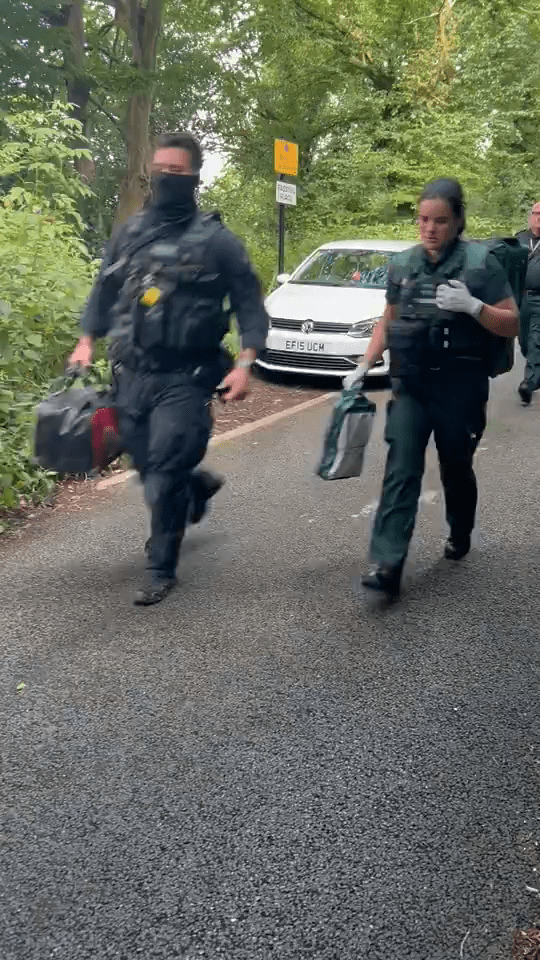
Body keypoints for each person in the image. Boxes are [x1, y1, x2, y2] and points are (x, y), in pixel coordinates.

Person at [69, 131, 268, 605]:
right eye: (160, 171)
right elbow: (104, 290)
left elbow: (250, 307)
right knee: (147, 460)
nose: (166, 179)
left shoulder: (218, 242)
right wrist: (85, 341)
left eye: (176, 172)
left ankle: (161, 567)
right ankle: (192, 487)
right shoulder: (130, 233)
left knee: (162, 468)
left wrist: (244, 364)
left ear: (195, 177)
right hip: (132, 371)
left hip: (187, 375)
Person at [353, 178, 519, 597]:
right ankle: (387, 565)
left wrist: (475, 306)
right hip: (412, 385)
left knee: (455, 467)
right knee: (402, 468)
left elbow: (513, 322)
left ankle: (460, 529)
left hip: (460, 389)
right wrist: (363, 364)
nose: (430, 229)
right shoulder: (403, 265)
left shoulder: (482, 264)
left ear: (458, 221)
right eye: (423, 219)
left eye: (440, 221)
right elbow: (388, 320)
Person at [516, 202, 540, 405]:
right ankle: (536, 373)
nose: (539, 217)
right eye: (536, 213)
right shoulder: (520, 239)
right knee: (524, 342)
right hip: (521, 297)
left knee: (535, 340)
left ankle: (528, 384)